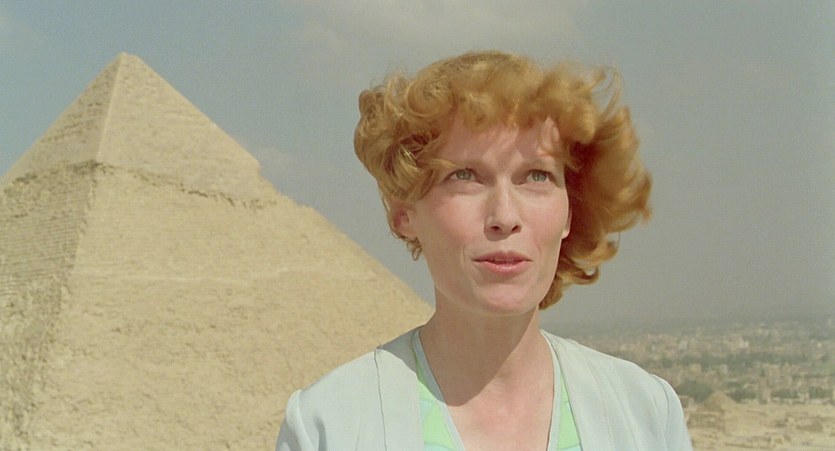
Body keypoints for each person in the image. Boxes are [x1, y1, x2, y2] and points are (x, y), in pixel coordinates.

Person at [276, 50, 692, 450]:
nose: (505, 216)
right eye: (465, 176)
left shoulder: (646, 412)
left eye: (537, 176)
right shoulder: (328, 425)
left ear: (570, 212)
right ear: (405, 213)